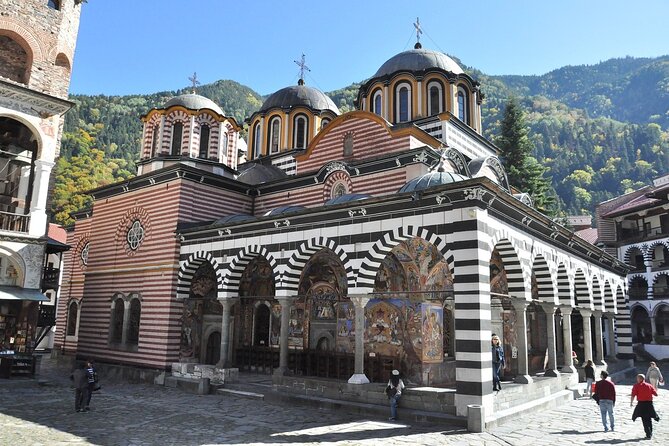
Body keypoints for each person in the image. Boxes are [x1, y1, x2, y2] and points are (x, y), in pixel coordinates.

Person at [631, 373, 660, 439]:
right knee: (649, 418)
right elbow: (656, 394)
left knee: (644, 419)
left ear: (640, 379)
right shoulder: (649, 385)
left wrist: (631, 402)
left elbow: (633, 395)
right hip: (649, 404)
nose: (637, 379)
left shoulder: (636, 386)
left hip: (641, 404)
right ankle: (650, 432)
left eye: (637, 378)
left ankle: (648, 433)